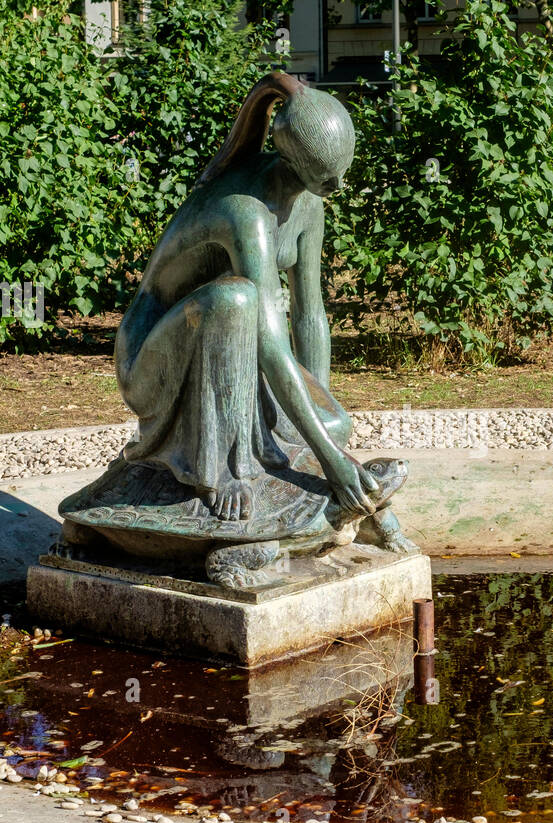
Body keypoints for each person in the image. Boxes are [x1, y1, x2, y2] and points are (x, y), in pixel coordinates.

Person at [114, 72, 378, 523]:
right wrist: (329, 462)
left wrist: (322, 438)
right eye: (326, 177)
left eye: (342, 172)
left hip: (234, 351)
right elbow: (271, 341)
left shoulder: (309, 205)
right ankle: (221, 469)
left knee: (337, 425)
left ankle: (272, 448)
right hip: (154, 365)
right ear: (290, 160)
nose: (337, 186)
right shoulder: (246, 210)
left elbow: (310, 317)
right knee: (236, 300)